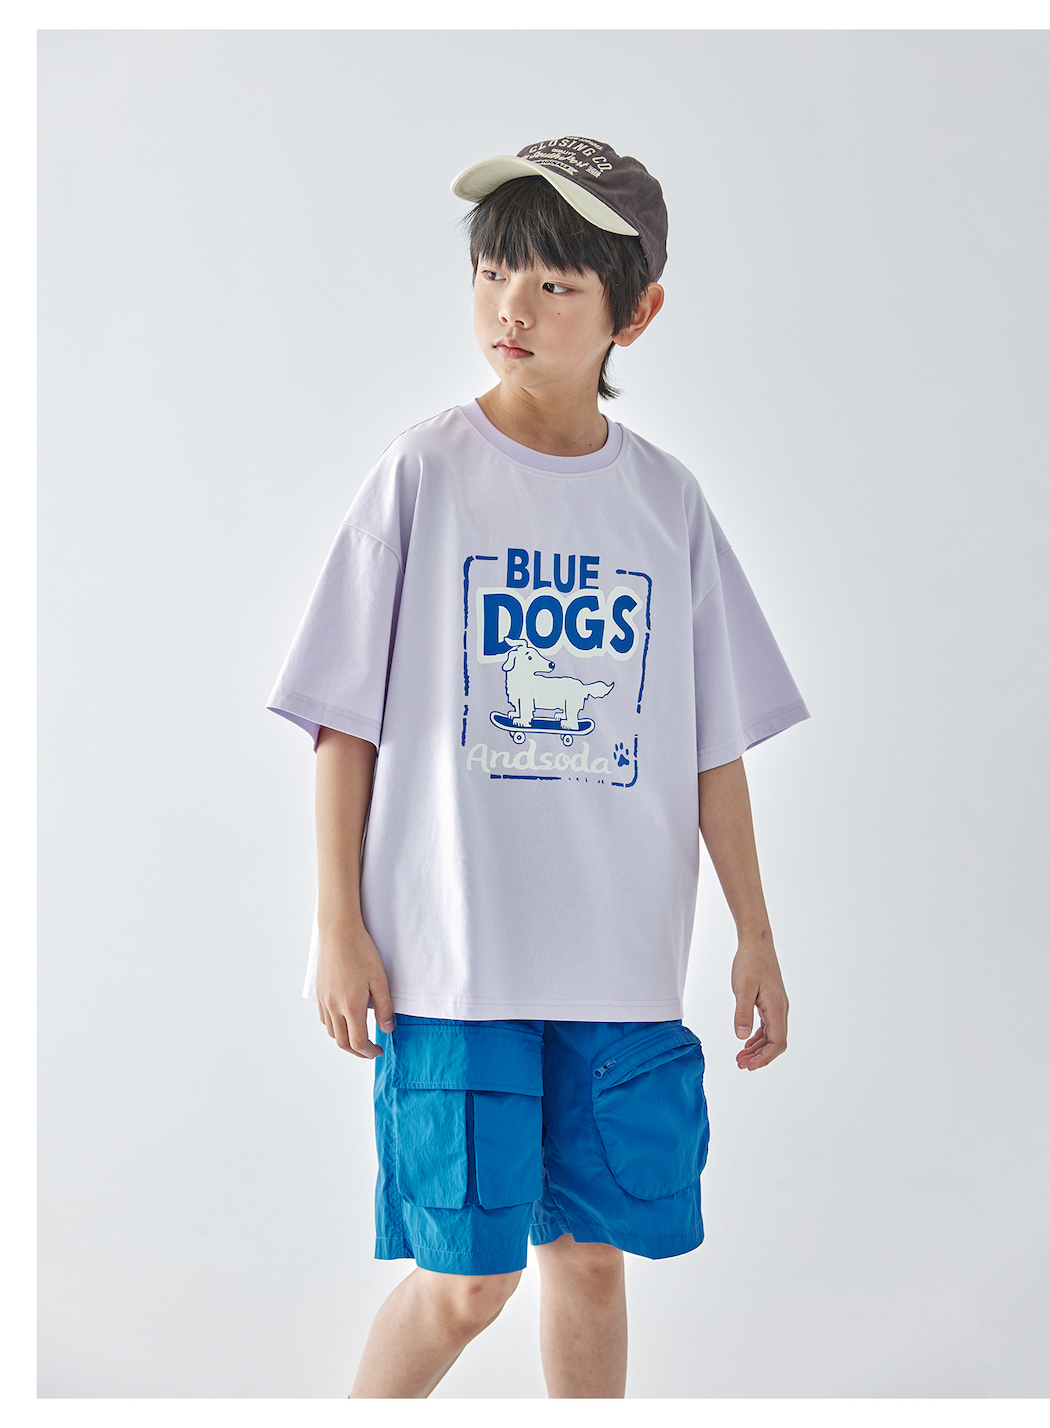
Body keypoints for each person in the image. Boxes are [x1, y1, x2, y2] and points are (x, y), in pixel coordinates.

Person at [267, 135, 810, 1399]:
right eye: (493, 271)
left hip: (619, 967)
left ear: (636, 313)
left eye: (555, 283)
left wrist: (755, 933)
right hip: (452, 963)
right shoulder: (423, 474)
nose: (510, 305)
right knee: (465, 1281)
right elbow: (342, 723)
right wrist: (336, 924)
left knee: (592, 1261)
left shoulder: (665, 503)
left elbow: (710, 744)